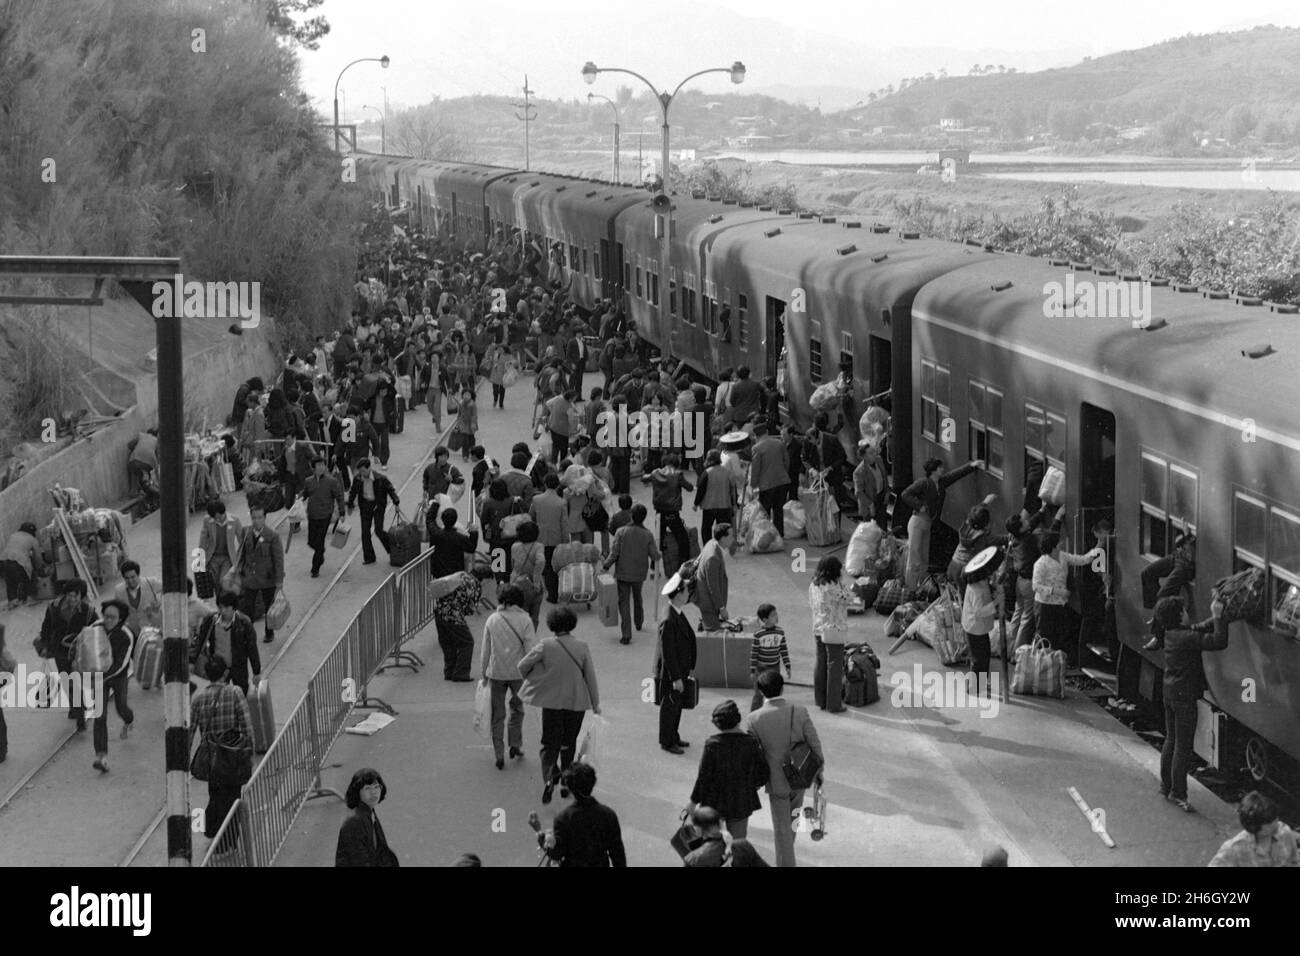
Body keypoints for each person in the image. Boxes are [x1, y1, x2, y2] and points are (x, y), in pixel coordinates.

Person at [518, 606, 601, 804]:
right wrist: (595, 704)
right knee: (568, 743)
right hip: (576, 702)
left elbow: (522, 666)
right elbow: (590, 677)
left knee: (549, 744)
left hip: (552, 702)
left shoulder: (545, 645)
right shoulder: (582, 646)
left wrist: (537, 677)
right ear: (572, 624)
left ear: (552, 625)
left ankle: (550, 776)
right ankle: (566, 779)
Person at [743, 670, 824, 867]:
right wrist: (819, 771)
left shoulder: (754, 719)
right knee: (792, 823)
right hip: (800, 777)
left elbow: (753, 755)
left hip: (776, 781)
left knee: (782, 831)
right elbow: (815, 743)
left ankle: (786, 862)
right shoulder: (800, 711)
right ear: (782, 687)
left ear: (761, 692)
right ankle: (787, 857)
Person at [1157, 595, 1228, 812]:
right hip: (1184, 697)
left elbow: (1198, 628)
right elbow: (1218, 641)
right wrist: (1218, 617)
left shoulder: (1171, 633)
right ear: (1179, 615)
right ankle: (1179, 793)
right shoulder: (1186, 637)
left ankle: (1165, 785)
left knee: (1171, 739)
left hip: (1169, 693)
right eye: (1185, 610)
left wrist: (1219, 617)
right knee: (1183, 745)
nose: (1188, 612)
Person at [189, 654, 254, 853]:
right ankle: (229, 841)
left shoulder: (198, 699)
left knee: (216, 794)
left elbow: (190, 732)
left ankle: (216, 835)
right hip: (233, 756)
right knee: (233, 796)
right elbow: (247, 727)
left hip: (212, 759)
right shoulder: (235, 693)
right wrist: (249, 752)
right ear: (225, 673)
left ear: (207, 674)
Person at [899, 456, 984, 588]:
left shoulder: (941, 482)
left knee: (924, 558)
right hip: (917, 522)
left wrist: (971, 466)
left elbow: (954, 475)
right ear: (934, 470)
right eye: (940, 467)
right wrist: (919, 505)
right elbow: (905, 494)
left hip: (927, 524)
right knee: (914, 558)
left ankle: (920, 587)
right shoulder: (924, 483)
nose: (942, 469)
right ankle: (910, 588)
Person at [479, 584, 539, 769]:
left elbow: (485, 650)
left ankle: (499, 753)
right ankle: (515, 743)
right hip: (518, 674)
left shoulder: (492, 620)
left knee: (497, 714)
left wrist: (484, 673)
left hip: (496, 673)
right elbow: (531, 650)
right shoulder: (525, 620)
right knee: (517, 709)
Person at [689, 700, 767, 839]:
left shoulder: (712, 745)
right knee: (737, 844)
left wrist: (693, 802)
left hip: (713, 802)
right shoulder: (751, 743)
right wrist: (751, 786)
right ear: (738, 720)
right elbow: (763, 773)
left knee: (710, 845)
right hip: (740, 802)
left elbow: (703, 778)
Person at [1032, 531, 1103, 668]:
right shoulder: (1041, 563)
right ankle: (1041, 667)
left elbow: (1082, 559)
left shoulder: (1062, 556)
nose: (1062, 543)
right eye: (1059, 542)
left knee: (1057, 636)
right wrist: (1056, 591)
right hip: (1044, 605)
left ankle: (1053, 667)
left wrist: (1098, 548)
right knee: (1045, 636)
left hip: (1059, 604)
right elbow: (1036, 586)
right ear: (1053, 545)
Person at [536, 762, 625, 867]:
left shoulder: (563, 818)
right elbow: (618, 854)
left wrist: (541, 838)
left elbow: (557, 854)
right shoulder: (609, 815)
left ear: (570, 788)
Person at [37, 579, 98, 729]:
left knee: (77, 679)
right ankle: (78, 710)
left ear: (81, 597)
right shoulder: (54, 608)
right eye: (69, 595)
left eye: (75, 596)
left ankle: (77, 708)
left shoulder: (89, 612)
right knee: (67, 680)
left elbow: (97, 632)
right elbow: (46, 628)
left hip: (79, 652)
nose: (72, 599)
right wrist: (44, 645)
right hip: (60, 650)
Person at [602, 504, 661, 646]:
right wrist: (660, 553)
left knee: (624, 602)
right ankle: (639, 622)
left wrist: (606, 565)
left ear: (631, 516)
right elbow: (655, 556)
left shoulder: (621, 532)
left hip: (623, 573)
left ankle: (626, 634)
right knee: (637, 596)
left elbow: (614, 553)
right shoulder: (648, 534)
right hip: (639, 573)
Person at [91, 599, 137, 773]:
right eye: (106, 616)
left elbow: (122, 663)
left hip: (118, 676)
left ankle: (129, 720)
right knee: (99, 716)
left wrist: (105, 676)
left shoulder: (127, 634)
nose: (108, 620)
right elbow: (83, 646)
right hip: (98, 676)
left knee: (121, 707)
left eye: (113, 617)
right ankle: (101, 756)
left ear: (121, 619)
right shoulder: (95, 627)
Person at [656, 571, 697, 755]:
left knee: (677, 705)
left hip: (681, 669)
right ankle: (667, 740)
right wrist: (676, 678)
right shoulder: (669, 620)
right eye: (687, 590)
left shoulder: (676, 612)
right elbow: (668, 653)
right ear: (679, 593)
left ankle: (674, 735)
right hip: (673, 672)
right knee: (670, 706)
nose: (689, 593)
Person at [193, 592, 262, 696]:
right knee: (218, 696)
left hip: (238, 667)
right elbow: (200, 641)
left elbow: (252, 648)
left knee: (241, 694)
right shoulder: (211, 621)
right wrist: (192, 660)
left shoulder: (244, 624)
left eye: (226, 608)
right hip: (218, 667)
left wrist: (256, 672)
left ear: (234, 608)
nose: (223, 611)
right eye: (221, 607)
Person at [809, 555, 852, 713]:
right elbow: (849, 597)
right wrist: (842, 584)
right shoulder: (833, 586)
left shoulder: (814, 584)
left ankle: (820, 700)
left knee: (820, 662)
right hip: (834, 629)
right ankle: (834, 704)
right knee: (834, 665)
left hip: (818, 627)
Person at [1208, 792, 1300, 867]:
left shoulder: (1285, 832)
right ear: (1255, 826)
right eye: (1270, 823)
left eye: (1276, 819)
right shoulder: (1234, 849)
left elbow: (1294, 861)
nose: (1277, 825)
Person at [236, 506, 285, 643]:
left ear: (265, 518)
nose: (256, 521)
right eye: (254, 518)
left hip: (267, 578)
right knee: (248, 608)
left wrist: (279, 582)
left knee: (268, 607)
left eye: (259, 517)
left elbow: (278, 560)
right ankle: (248, 634)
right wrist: (239, 571)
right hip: (250, 579)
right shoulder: (246, 532)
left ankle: (269, 632)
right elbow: (242, 554)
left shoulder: (272, 535)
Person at [335, 768, 399, 866]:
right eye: (367, 788)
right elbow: (359, 861)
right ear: (357, 792)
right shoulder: (354, 823)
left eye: (377, 787)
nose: (374, 792)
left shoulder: (368, 812)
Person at [432, 568, 488, 682]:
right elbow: (471, 608)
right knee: (467, 642)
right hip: (454, 615)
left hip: (439, 612)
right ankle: (461, 673)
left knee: (448, 643)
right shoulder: (475, 584)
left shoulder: (460, 575)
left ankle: (449, 671)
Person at [962, 553, 1002, 692]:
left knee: (984, 655)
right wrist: (997, 602)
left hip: (977, 627)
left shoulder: (977, 582)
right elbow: (981, 612)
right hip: (975, 627)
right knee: (979, 659)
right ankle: (973, 686)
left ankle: (981, 682)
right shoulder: (977, 590)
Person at [347, 459, 400, 566]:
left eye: (363, 471)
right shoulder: (358, 479)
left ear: (369, 468)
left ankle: (392, 548)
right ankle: (369, 557)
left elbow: (390, 490)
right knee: (365, 533)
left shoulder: (380, 479)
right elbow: (353, 492)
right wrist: (350, 504)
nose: (362, 474)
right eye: (360, 471)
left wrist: (396, 502)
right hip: (365, 506)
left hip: (377, 506)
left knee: (378, 530)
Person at [301, 457, 347, 579]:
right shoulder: (308, 481)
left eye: (323, 465)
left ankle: (315, 569)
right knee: (311, 541)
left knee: (320, 540)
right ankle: (320, 553)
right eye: (319, 465)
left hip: (325, 515)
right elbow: (305, 494)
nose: (321, 467)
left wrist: (342, 512)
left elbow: (339, 496)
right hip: (312, 515)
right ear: (313, 467)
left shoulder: (331, 481)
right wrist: (299, 499)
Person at [649, 452, 693, 575]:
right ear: (676, 463)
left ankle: (653, 568)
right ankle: (683, 567)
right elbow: (689, 487)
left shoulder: (655, 473)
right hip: (673, 513)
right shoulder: (678, 475)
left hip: (659, 512)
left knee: (658, 540)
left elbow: (644, 478)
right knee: (683, 540)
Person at [528, 473, 567, 605]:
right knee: (553, 566)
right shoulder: (561, 503)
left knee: (543, 564)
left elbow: (530, 517)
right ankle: (554, 592)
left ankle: (547, 590)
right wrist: (566, 542)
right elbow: (564, 525)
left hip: (540, 537)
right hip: (556, 538)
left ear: (545, 484)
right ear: (557, 486)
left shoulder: (536, 499)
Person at [749, 422, 790, 539]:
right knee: (778, 510)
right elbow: (786, 461)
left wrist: (753, 485)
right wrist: (784, 473)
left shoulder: (756, 448)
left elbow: (756, 469)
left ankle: (767, 538)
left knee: (765, 512)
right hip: (782, 481)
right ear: (766, 432)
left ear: (755, 436)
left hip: (766, 485)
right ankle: (779, 536)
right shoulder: (779, 443)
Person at [749, 603, 792, 712]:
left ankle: (772, 713)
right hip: (760, 669)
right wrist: (752, 671)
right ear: (765, 619)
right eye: (773, 615)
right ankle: (754, 715)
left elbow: (783, 650)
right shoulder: (758, 634)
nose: (776, 617)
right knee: (758, 694)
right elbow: (754, 653)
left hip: (774, 668)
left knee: (773, 694)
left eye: (776, 614)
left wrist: (787, 666)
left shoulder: (780, 632)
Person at [198, 502, 242, 598]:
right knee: (215, 583)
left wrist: (240, 558)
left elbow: (241, 541)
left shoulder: (235, 520)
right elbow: (203, 540)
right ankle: (220, 604)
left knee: (223, 581)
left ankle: (223, 602)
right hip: (212, 557)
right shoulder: (207, 520)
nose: (217, 519)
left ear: (223, 512)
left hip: (227, 558)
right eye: (214, 517)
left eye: (218, 516)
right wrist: (200, 560)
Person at [694, 524, 733, 631]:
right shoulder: (713, 557)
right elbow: (713, 586)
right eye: (731, 536)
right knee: (713, 632)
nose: (733, 539)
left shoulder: (711, 543)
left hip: (707, 598)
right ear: (723, 538)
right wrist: (722, 608)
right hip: (708, 601)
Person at [694, 450, 736, 544]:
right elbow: (732, 489)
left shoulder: (707, 472)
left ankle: (708, 547)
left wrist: (696, 504)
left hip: (709, 506)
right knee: (723, 529)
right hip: (724, 505)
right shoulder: (727, 472)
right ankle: (723, 546)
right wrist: (734, 504)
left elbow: (701, 490)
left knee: (706, 528)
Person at [510, 522, 546, 628]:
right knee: (534, 616)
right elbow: (541, 561)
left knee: (521, 615)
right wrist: (536, 578)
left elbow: (513, 564)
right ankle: (531, 637)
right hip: (533, 585)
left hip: (516, 584)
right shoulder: (538, 547)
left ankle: (522, 636)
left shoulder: (514, 547)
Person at [0, 522, 44, 608]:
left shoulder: (14, 535)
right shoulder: (32, 539)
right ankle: (30, 599)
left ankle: (12, 601)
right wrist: (40, 567)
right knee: (31, 576)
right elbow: (38, 557)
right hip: (18, 561)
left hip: (3, 561)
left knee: (10, 581)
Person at [427, 507, 479, 579]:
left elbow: (430, 521)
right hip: (456, 573)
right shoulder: (460, 538)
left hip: (439, 573)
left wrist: (434, 506)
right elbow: (471, 548)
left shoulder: (436, 534)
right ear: (455, 520)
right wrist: (474, 532)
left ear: (442, 519)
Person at [114, 560, 163, 631]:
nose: (130, 581)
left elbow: (169, 588)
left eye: (133, 577)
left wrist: (160, 603)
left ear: (138, 575)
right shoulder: (118, 590)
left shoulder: (151, 583)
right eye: (127, 578)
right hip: (131, 631)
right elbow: (117, 612)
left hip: (152, 629)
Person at [451, 388, 478, 463]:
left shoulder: (473, 404)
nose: (466, 396)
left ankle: (473, 454)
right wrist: (458, 422)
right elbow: (459, 414)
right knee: (465, 440)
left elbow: (474, 415)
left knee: (471, 440)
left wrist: (473, 423)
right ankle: (465, 455)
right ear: (462, 395)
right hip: (463, 424)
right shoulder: (461, 403)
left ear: (471, 396)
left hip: (471, 425)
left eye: (468, 395)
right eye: (464, 394)